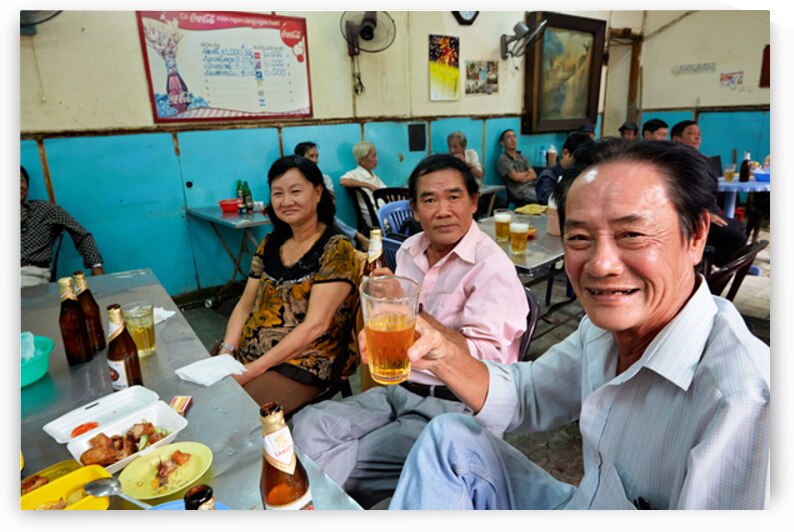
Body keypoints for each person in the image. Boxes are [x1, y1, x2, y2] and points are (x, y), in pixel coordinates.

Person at [388, 140, 770, 510]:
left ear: (696, 236)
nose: (601, 265)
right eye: (580, 237)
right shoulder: (601, 332)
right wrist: (440, 352)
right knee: (449, 436)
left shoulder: (743, 403)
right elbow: (529, 393)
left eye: (632, 235)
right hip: (584, 504)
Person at [292, 153, 528, 508]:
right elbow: (389, 317)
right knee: (307, 423)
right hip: (397, 388)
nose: (443, 210)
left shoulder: (490, 267)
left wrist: (413, 313)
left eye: (454, 197)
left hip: (451, 408)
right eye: (429, 200)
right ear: (415, 210)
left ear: (474, 203)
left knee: (327, 466)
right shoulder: (408, 251)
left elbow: (491, 364)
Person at [218, 155, 359, 416]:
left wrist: (252, 371)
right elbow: (245, 303)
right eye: (278, 193)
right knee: (199, 398)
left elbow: (316, 325)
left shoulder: (336, 248)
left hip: (307, 359)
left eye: (296, 191)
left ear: (318, 193)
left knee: (236, 414)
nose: (286, 201)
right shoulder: (270, 243)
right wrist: (226, 352)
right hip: (254, 351)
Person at [670, 120, 746, 266]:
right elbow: (677, 192)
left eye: (699, 134)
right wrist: (702, 213)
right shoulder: (674, 161)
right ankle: (717, 265)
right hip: (689, 214)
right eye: (691, 133)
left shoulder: (701, 158)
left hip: (708, 210)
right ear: (676, 138)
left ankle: (718, 263)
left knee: (740, 227)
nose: (697, 137)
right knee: (734, 236)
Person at [21, 165, 105, 287]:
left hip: (31, 274)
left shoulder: (44, 209)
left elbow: (81, 234)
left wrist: (96, 265)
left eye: (20, 180)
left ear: (27, 187)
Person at [294, 141, 369, 251]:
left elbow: (330, 205)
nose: (315, 160)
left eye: (316, 156)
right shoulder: (294, 181)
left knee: (342, 236)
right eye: (311, 156)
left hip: (323, 216)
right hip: (304, 218)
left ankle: (354, 242)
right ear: (299, 159)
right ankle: (357, 236)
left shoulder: (325, 179)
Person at [534, 132, 594, 205]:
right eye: (578, 159)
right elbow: (547, 199)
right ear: (565, 153)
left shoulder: (583, 174)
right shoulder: (548, 176)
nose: (581, 165)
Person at [339, 140, 386, 228]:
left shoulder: (373, 175)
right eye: (374, 156)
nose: (377, 159)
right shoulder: (355, 174)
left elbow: (385, 191)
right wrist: (368, 185)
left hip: (384, 211)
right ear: (362, 160)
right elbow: (343, 181)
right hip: (376, 217)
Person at [495, 129, 537, 204]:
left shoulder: (521, 156)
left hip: (533, 186)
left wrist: (522, 177)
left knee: (553, 194)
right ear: (503, 143)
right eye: (509, 137)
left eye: (514, 136)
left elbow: (534, 175)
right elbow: (516, 177)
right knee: (545, 198)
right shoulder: (503, 159)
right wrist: (527, 173)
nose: (513, 139)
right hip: (520, 191)